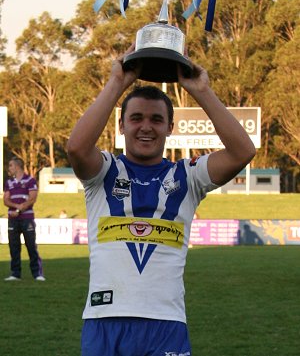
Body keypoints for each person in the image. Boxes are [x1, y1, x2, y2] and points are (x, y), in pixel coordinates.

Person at [67, 44, 256, 356]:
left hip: (165, 324)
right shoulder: (103, 170)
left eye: (156, 120)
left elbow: (242, 152)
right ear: (121, 125)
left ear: (170, 127)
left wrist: (201, 90)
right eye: (136, 118)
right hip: (104, 321)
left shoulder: (189, 176)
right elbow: (76, 148)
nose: (145, 127)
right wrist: (117, 82)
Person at [3, 156, 45, 281]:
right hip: (13, 219)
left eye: (11, 165)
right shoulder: (9, 182)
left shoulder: (30, 180)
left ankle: (37, 274)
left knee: (31, 246)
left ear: (17, 166)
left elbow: (32, 198)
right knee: (14, 246)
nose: (9, 168)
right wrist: (16, 207)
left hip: (27, 218)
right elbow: (6, 199)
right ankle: (15, 274)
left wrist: (19, 210)